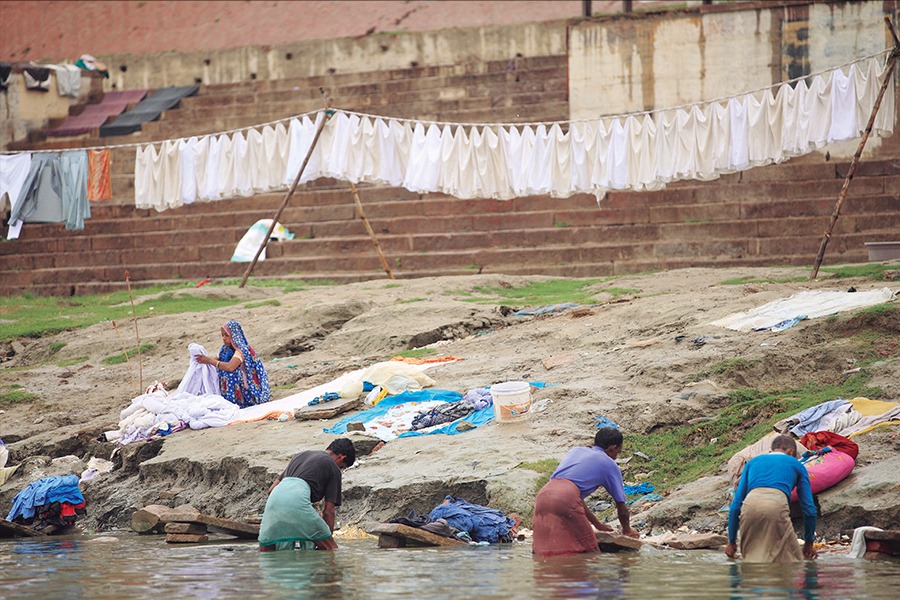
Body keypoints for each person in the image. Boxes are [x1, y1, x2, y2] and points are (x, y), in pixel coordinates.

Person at [532, 427, 639, 556]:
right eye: (618, 452)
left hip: (543, 495)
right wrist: (627, 530)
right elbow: (621, 506)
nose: (616, 457)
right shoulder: (609, 464)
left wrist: (598, 525)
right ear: (612, 448)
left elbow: (576, 499)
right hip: (566, 498)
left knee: (543, 549)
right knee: (589, 551)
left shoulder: (575, 451)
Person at [725, 434, 818, 562]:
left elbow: (736, 505)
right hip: (776, 505)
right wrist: (808, 543)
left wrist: (731, 541)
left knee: (750, 560)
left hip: (749, 507)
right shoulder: (797, 465)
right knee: (793, 561)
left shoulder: (753, 462)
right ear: (791, 452)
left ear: (772, 449)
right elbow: (809, 508)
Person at [259, 438, 356, 551]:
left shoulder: (300, 456)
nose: (340, 469)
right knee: (331, 550)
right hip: (296, 502)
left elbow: (271, 490)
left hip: (273, 502)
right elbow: (329, 512)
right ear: (341, 457)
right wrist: (325, 538)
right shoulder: (333, 467)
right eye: (342, 466)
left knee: (268, 551)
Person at [195, 320, 270, 408]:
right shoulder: (225, 349)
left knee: (228, 372)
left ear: (234, 336)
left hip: (248, 389)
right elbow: (216, 361)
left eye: (227, 335)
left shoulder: (241, 350)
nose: (224, 338)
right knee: (217, 368)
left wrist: (209, 361)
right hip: (236, 386)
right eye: (222, 335)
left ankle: (237, 400)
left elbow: (230, 367)